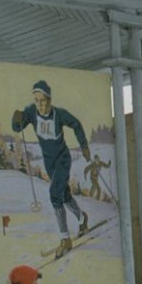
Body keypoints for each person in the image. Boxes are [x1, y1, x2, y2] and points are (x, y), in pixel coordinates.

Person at [12, 80, 91, 259]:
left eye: (43, 100)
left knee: (54, 194)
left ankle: (65, 239)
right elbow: (18, 126)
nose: (40, 104)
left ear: (49, 99)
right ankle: (81, 218)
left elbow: (76, 124)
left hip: (62, 160)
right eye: (36, 100)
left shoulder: (59, 114)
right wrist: (16, 119)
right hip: (49, 162)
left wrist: (84, 146)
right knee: (64, 195)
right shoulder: (32, 111)